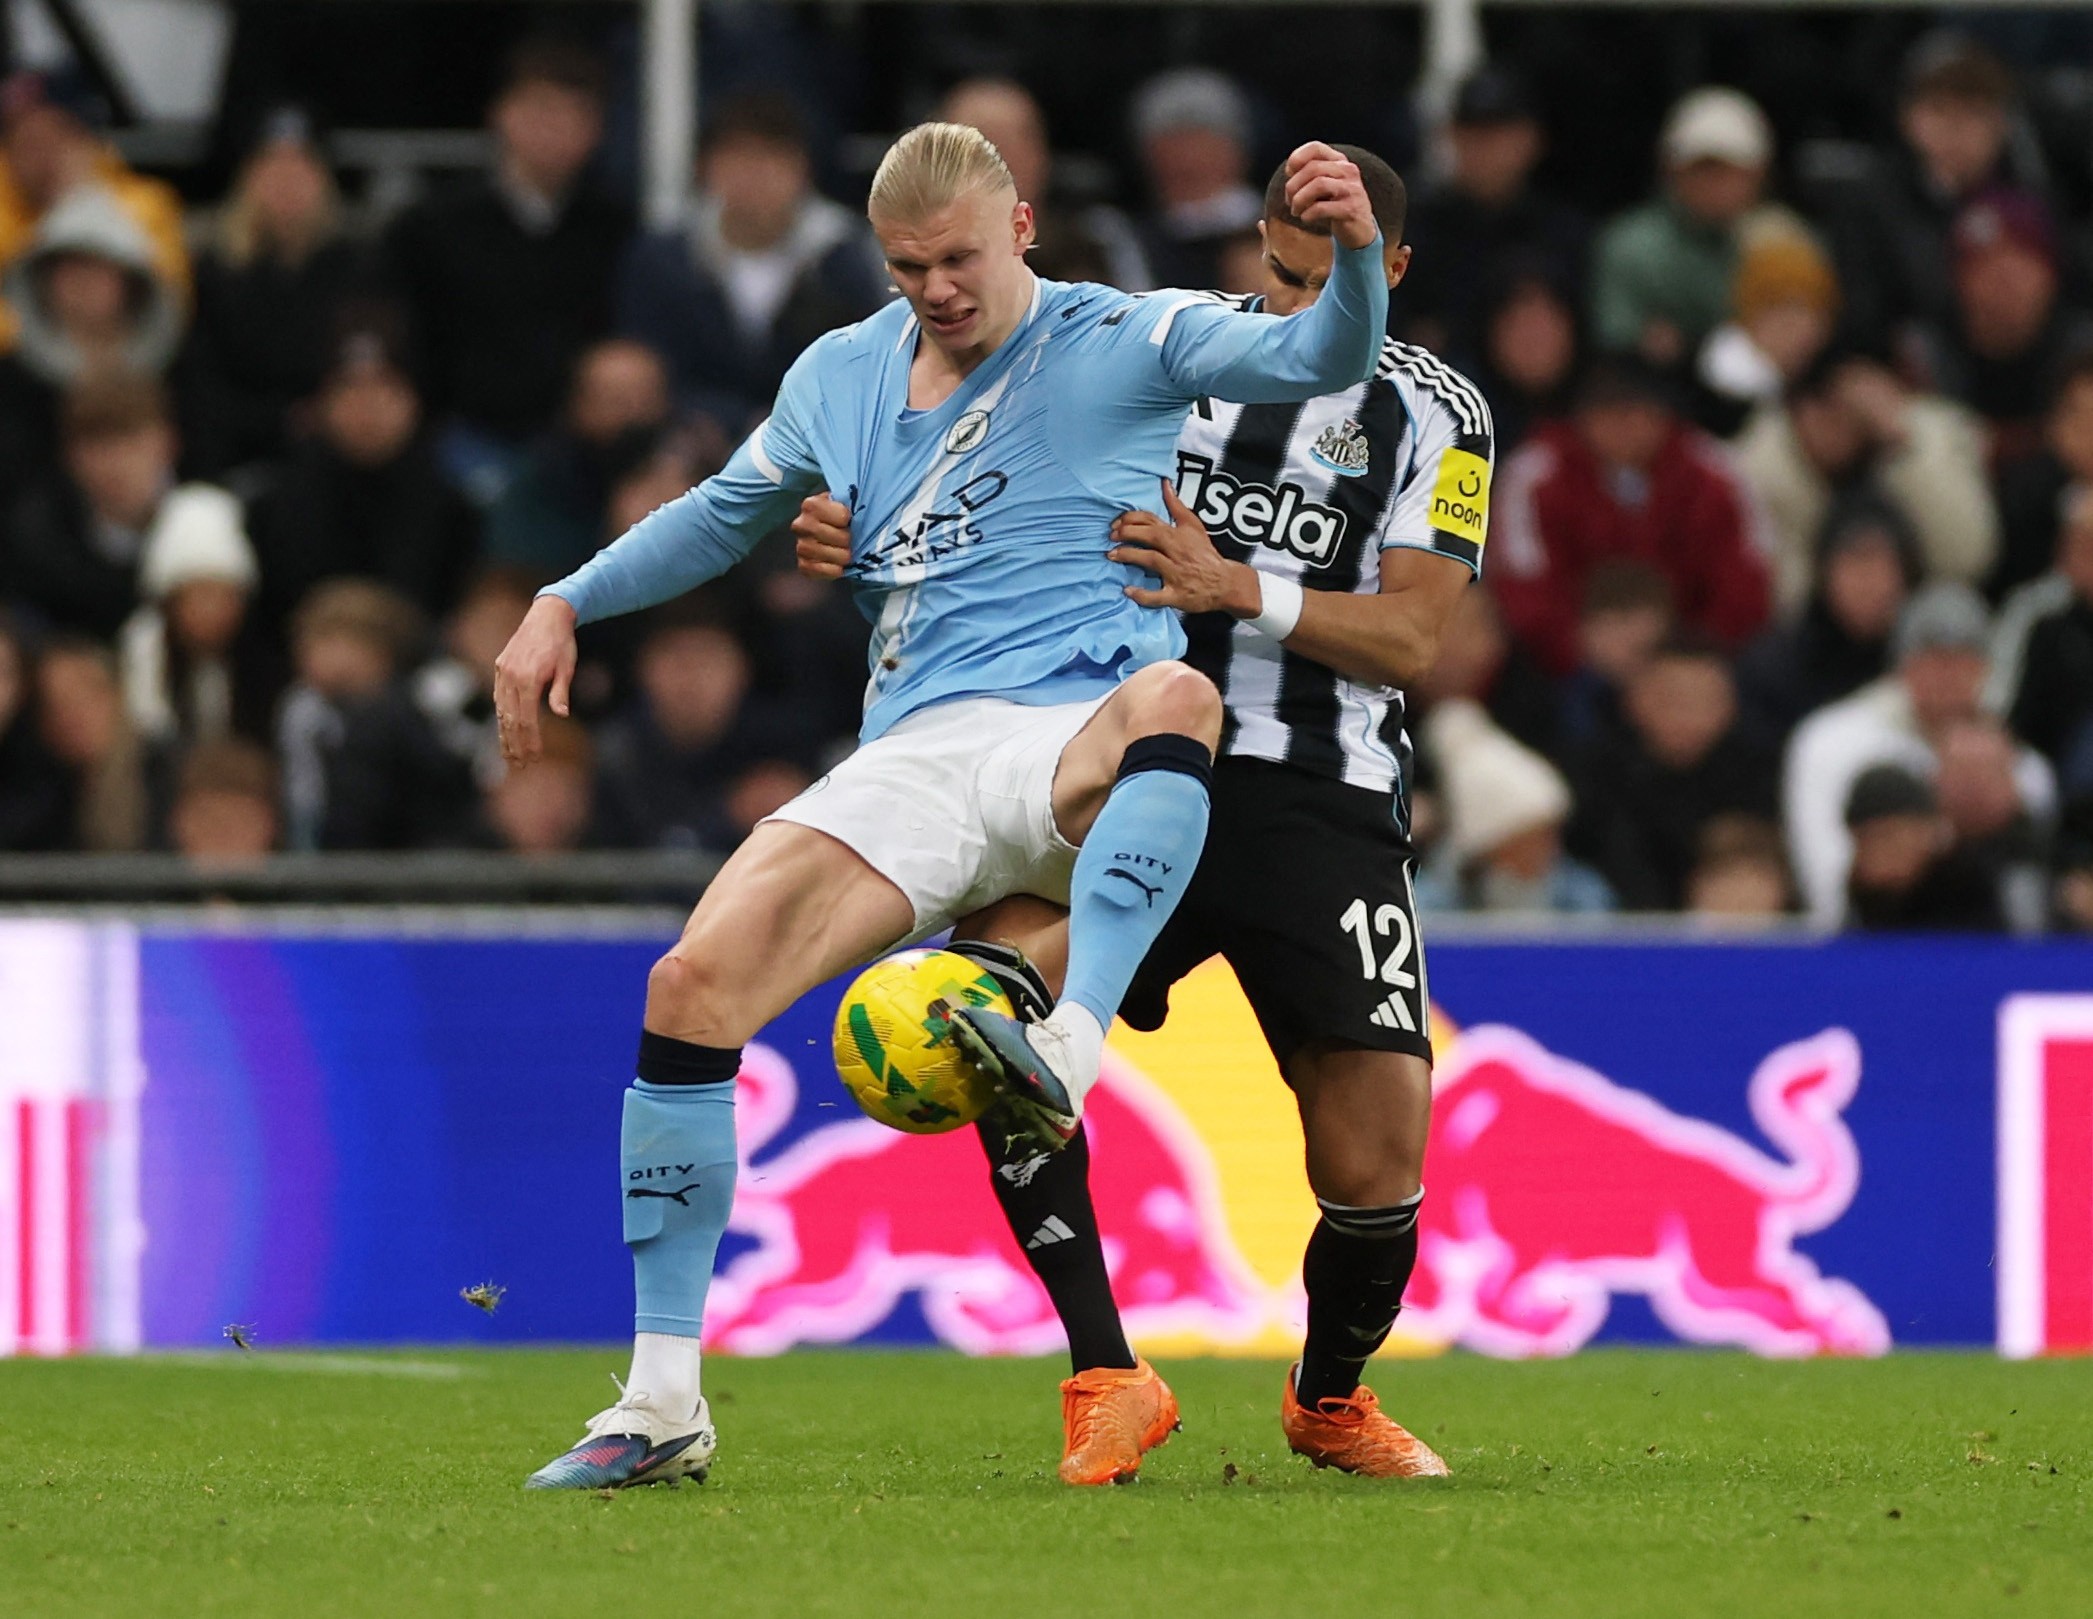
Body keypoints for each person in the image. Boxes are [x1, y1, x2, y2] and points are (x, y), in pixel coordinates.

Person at [494, 125, 1390, 1491]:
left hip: (1071, 730)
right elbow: (723, 512)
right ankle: (661, 1399)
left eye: (959, 259)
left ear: (1021, 226)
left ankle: (1073, 1040)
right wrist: (565, 598)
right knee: (690, 985)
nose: (938, 290)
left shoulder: (1125, 336)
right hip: (915, 747)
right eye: (908, 268)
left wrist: (1359, 256)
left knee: (1178, 696)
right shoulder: (839, 372)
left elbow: (1320, 353)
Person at [797, 144, 1484, 1484]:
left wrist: (1237, 587)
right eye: (1270, 273)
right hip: (1117, 746)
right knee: (990, 1022)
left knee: (1375, 1152)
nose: (1285, 308)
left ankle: (1329, 1396)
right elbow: (966, 490)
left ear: (1388, 271)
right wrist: (855, 530)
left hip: (1316, 792)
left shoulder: (1437, 411)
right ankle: (1107, 1372)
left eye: (1321, 283)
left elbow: (1412, 637)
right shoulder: (1153, 348)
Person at [380, 37, 632, 494]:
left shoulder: (618, 233)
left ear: (596, 130)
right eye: (540, 111)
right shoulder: (430, 228)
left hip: (582, 454)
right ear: (501, 115)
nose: (553, 129)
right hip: (459, 442)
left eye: (573, 115)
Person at [616, 92, 888, 435]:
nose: (755, 177)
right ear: (706, 168)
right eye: (739, 159)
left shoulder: (841, 258)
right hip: (691, 438)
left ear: (802, 170)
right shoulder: (666, 259)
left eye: (771, 160)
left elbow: (867, 367)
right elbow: (650, 368)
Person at [1783, 582, 2054, 924]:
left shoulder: (2018, 762)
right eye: (1932, 660)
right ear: (1900, 665)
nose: (1947, 676)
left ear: (1985, 671)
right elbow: (1827, 881)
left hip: (1990, 933)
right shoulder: (1832, 741)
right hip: (1872, 933)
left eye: (1961, 661)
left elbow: (2034, 881)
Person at [1489, 355, 1770, 674]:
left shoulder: (1714, 473)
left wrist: (1685, 655)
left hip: (1695, 661)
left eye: (1638, 413)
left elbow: (1746, 581)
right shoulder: (1537, 475)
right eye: (1609, 414)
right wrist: (1583, 652)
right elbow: (1524, 586)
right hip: (1565, 670)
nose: (1625, 428)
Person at [1732, 351, 1996, 617]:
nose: (1845, 430)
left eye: (1856, 418)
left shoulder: (1927, 436)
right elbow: (1780, 603)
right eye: (1834, 412)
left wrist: (1902, 446)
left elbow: (1967, 558)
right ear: (1804, 408)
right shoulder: (1756, 475)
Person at [183, 105, 364, 476]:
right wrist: (281, 420)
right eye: (271, 166)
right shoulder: (213, 274)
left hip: (342, 455)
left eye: (301, 165)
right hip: (236, 457)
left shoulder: (359, 268)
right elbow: (200, 388)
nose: (287, 181)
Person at [1567, 634, 1780, 911]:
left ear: (1730, 705)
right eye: (1672, 699)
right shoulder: (1590, 776)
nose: (1689, 715)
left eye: (1705, 700)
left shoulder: (1758, 777)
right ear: (1633, 699)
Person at [1590, 87, 1797, 369]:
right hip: (1655, 386)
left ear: (1759, 175)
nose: (1714, 184)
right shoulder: (1631, 245)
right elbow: (1617, 340)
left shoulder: (1786, 242)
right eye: (1701, 169)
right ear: (1671, 171)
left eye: (1728, 171)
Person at [1400, 66, 1587, 365]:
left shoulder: (1562, 233)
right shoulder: (1414, 227)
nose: (1486, 149)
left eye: (1499, 133)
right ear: (1451, 136)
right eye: (1473, 133)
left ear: (1532, 139)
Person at [4, 372, 179, 640]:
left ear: (168, 442)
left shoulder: (218, 518)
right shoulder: (39, 543)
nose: (115, 463)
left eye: (131, 441)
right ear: (70, 457)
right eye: (97, 447)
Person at [483, 338, 673, 578]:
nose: (633, 416)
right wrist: (618, 540)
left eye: (645, 399)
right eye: (616, 401)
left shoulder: (691, 474)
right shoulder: (544, 477)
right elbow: (513, 575)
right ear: (578, 405)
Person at [937, 78, 1149, 289]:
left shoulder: (1099, 239)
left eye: (1024, 138)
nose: (1011, 156)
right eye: (989, 141)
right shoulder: (925, 254)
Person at [1418, 697, 1615, 913]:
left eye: (1548, 833)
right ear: (1490, 848)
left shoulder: (1580, 896)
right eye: (1526, 840)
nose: (1547, 850)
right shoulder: (1434, 903)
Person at [1129, 69, 1265, 290]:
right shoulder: (1130, 246)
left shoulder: (1284, 231)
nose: (1187, 157)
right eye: (1172, 143)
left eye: (1203, 140)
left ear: (1237, 149)